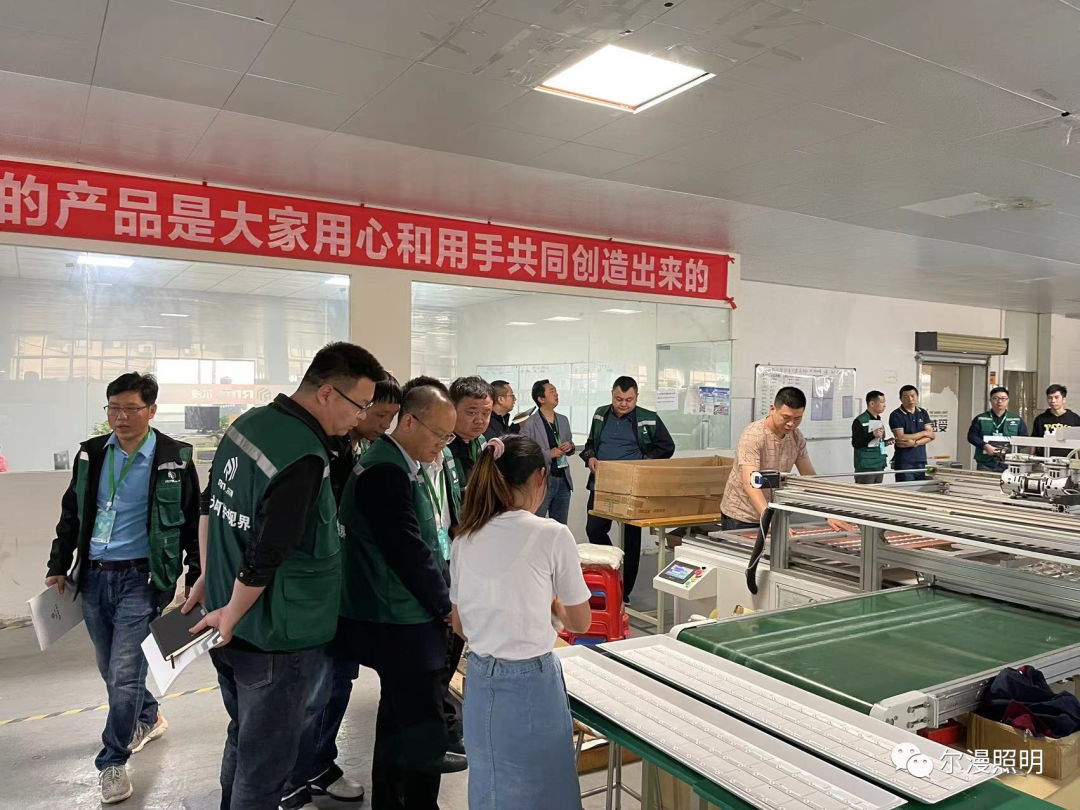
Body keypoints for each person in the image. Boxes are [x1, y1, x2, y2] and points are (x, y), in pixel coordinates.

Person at [193, 342, 385, 810]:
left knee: (243, 739)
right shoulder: (303, 455)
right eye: (360, 404)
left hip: (226, 620)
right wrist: (234, 611)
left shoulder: (249, 424)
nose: (361, 417)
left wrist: (207, 578)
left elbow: (211, 506)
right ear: (327, 393)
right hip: (274, 634)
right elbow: (268, 550)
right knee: (266, 768)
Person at [45, 372, 201, 804]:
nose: (120, 417)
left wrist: (195, 574)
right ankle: (148, 715)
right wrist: (58, 564)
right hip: (94, 576)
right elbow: (72, 512)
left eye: (131, 408)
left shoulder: (174, 458)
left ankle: (112, 761)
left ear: (151, 410)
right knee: (108, 666)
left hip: (143, 578)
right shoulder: (92, 453)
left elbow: (192, 522)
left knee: (124, 672)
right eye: (113, 408)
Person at [335, 381, 467, 810]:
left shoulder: (402, 464)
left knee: (397, 720)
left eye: (449, 437)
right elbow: (408, 552)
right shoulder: (385, 472)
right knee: (421, 727)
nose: (443, 445)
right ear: (409, 422)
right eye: (439, 435)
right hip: (398, 618)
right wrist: (446, 607)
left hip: (400, 613)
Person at [280, 374, 404, 809]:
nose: (384, 425)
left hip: (344, 592)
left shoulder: (358, 449)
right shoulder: (315, 450)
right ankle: (291, 779)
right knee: (310, 690)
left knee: (337, 683)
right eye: (378, 413)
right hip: (310, 596)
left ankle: (319, 763)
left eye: (391, 416)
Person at [450, 435, 592, 810]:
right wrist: (553, 603)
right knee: (545, 792)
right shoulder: (552, 534)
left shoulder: (465, 537)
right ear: (540, 477)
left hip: (480, 681)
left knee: (491, 788)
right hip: (532, 684)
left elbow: (459, 624)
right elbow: (580, 621)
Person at [580, 376, 675, 600]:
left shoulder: (648, 419)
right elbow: (590, 443)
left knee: (631, 538)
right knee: (594, 529)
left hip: (632, 487)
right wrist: (590, 457)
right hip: (602, 484)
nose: (623, 404)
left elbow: (667, 446)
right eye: (618, 399)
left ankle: (625, 590)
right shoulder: (600, 414)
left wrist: (644, 463)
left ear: (637, 397)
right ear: (612, 395)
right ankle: (613, 567)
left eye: (629, 400)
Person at [720, 387, 850, 533]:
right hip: (742, 516)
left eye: (797, 418)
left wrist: (828, 513)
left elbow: (809, 477)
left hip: (772, 511)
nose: (791, 424)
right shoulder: (753, 436)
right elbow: (750, 483)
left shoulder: (796, 436)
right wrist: (770, 520)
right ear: (772, 409)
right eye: (786, 417)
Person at [519, 379, 575, 524]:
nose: (556, 394)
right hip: (542, 481)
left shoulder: (563, 420)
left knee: (560, 526)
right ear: (541, 399)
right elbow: (525, 452)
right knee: (536, 524)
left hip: (563, 479)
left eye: (556, 390)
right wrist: (548, 454)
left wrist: (570, 446)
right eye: (552, 391)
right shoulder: (529, 422)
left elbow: (570, 443)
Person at [446, 376, 493, 487]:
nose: (479, 421)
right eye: (472, 413)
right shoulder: (441, 445)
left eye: (486, 413)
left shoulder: (482, 441)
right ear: (452, 409)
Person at [968, 387, 1029, 472]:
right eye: (996, 398)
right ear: (990, 400)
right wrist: (984, 446)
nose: (1000, 401)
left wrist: (1009, 448)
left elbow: (1024, 439)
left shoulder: (1016, 419)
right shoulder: (981, 418)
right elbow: (971, 436)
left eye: (1003, 398)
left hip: (1009, 463)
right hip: (986, 463)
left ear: (1008, 400)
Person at [889, 385, 935, 482]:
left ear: (917, 397)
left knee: (922, 489)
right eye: (906, 397)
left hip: (921, 460)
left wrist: (915, 443)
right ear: (900, 399)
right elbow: (901, 437)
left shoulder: (923, 413)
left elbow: (931, 436)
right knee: (907, 489)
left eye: (912, 396)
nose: (910, 399)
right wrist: (924, 433)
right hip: (904, 462)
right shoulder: (896, 415)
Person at [851, 391, 891, 484]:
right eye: (882, 402)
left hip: (879, 464)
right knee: (865, 491)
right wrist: (871, 435)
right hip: (866, 466)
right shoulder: (860, 420)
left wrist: (886, 442)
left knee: (878, 491)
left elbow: (876, 442)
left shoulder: (878, 420)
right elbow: (856, 443)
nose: (884, 405)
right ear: (872, 404)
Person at [1032, 384, 1080, 457]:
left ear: (1064, 399)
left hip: (1068, 459)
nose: (1053, 401)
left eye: (1056, 397)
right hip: (1045, 459)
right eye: (1050, 398)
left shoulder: (1074, 418)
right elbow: (1034, 440)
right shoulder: (1040, 419)